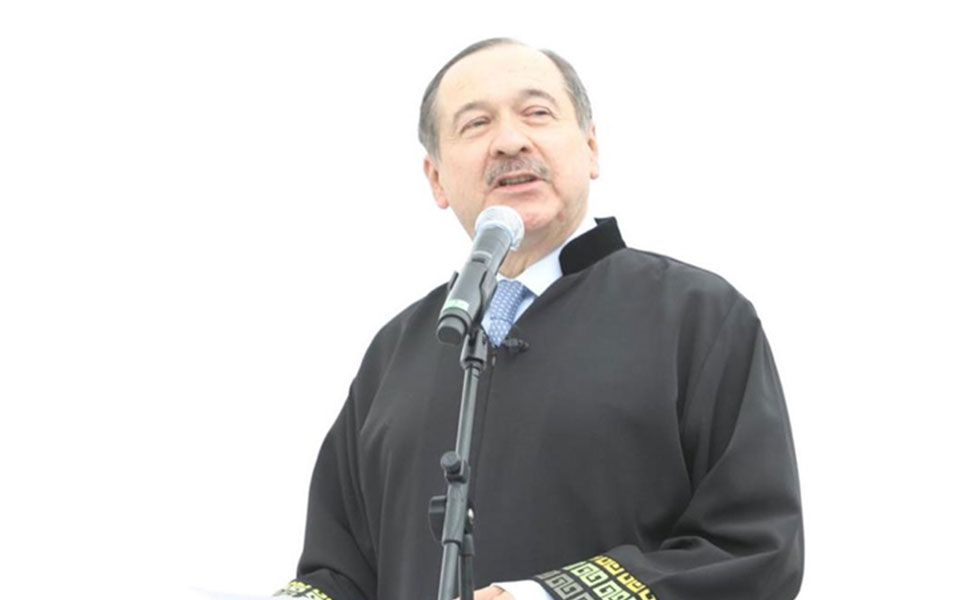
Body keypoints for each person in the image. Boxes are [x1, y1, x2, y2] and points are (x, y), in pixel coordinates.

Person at [275, 38, 804, 600]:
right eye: (476, 124)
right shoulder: (395, 353)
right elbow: (338, 573)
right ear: (435, 178)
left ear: (591, 148)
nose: (510, 141)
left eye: (537, 113)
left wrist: (547, 596)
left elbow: (754, 549)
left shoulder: (698, 317)